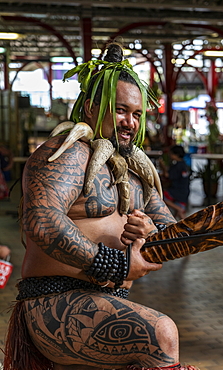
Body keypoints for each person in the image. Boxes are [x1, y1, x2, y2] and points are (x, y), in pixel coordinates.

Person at [3, 42, 198, 370]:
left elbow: (172, 235)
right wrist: (117, 266)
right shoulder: (67, 154)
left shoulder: (136, 173)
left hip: (110, 302)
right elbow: (42, 220)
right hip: (54, 301)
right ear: (92, 108)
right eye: (120, 110)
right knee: (162, 333)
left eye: (137, 114)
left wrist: (151, 235)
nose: (130, 123)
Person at [161, 145, 190, 220]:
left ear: (175, 155)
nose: (169, 156)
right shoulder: (183, 164)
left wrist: (162, 165)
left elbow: (168, 176)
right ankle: (187, 228)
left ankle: (178, 208)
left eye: (171, 154)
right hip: (184, 192)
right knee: (180, 215)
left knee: (160, 196)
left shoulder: (177, 166)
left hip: (176, 192)